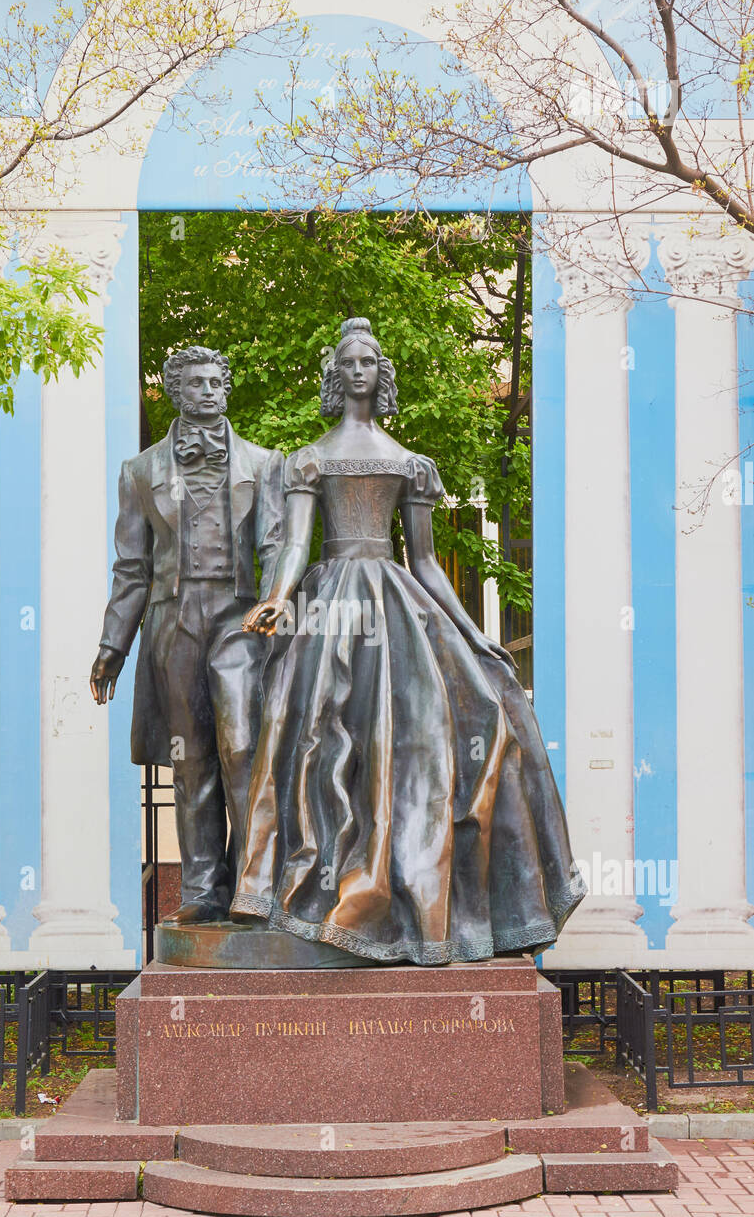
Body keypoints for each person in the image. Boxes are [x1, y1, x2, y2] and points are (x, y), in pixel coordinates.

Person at [233, 317, 584, 964]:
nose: (358, 369)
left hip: (397, 606)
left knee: (448, 725)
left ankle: (417, 897)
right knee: (312, 733)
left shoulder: (409, 464)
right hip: (330, 601)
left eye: (369, 360)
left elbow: (423, 563)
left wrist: (473, 633)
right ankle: (310, 887)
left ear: (379, 374)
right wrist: (277, 599)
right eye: (349, 361)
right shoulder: (307, 460)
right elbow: (290, 548)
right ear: (335, 376)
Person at [90, 346, 284, 924]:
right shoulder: (140, 471)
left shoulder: (266, 463)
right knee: (191, 756)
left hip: (240, 614)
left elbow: (275, 545)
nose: (208, 391)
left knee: (242, 745)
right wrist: (112, 646)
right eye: (196, 383)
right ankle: (202, 888)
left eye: (216, 382)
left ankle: (255, 881)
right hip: (174, 619)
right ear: (175, 391)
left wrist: (275, 601)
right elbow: (131, 570)